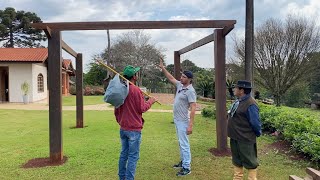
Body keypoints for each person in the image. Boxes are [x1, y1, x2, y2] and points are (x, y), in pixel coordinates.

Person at [114, 65, 156, 180]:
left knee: (124, 154)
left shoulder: (121, 89)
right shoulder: (136, 90)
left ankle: (122, 177)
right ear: (134, 76)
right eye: (136, 73)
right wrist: (151, 101)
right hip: (134, 130)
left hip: (123, 128)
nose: (137, 75)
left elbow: (116, 109)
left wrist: (121, 121)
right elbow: (142, 108)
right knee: (133, 157)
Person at [159, 59, 197, 176]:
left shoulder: (190, 91)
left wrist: (190, 125)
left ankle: (187, 167)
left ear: (189, 79)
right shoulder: (180, 85)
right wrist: (163, 68)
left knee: (184, 144)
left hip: (183, 121)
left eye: (184, 77)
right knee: (181, 143)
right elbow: (171, 78)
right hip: (177, 120)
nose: (181, 78)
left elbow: (193, 108)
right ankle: (183, 162)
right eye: (181, 76)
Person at [227, 80, 261, 180]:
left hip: (245, 139)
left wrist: (257, 133)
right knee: (237, 161)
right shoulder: (238, 101)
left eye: (236, 88)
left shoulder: (251, 104)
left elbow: (255, 122)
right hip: (235, 137)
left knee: (251, 162)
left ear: (241, 90)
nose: (234, 89)